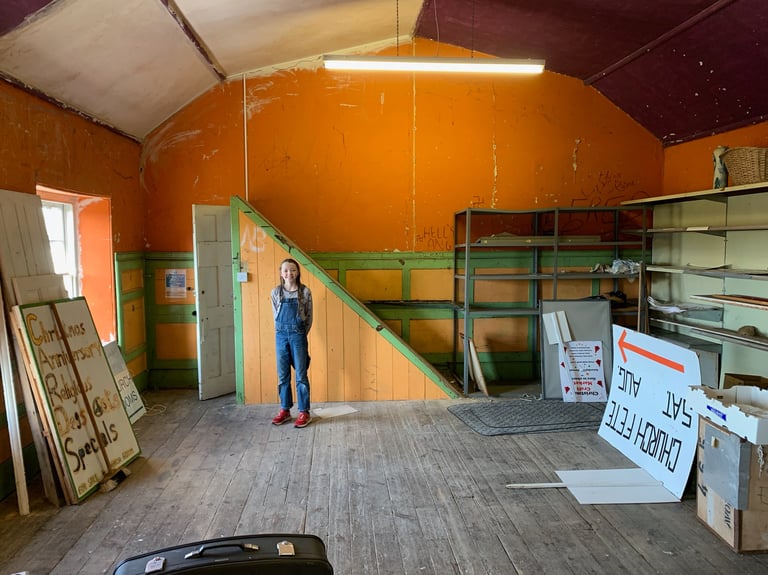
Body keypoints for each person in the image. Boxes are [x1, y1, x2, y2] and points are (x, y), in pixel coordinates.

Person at [270, 258, 313, 428]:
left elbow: (309, 317)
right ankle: (285, 410)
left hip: (298, 335)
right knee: (283, 375)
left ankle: (304, 412)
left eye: (293, 270)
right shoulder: (275, 292)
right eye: (286, 270)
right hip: (280, 336)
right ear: (281, 273)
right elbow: (275, 315)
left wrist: (300, 333)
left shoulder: (305, 292)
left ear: (298, 272)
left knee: (301, 375)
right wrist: (282, 332)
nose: (289, 273)